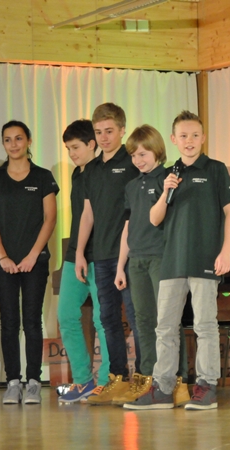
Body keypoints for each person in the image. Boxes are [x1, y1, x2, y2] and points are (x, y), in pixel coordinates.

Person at [124, 110, 230, 411]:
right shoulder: (169, 173)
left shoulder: (215, 169)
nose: (189, 141)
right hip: (172, 261)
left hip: (205, 259)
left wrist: (225, 252)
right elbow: (154, 218)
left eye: (195, 135)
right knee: (165, 327)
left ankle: (206, 386)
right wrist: (166, 191)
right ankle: (163, 388)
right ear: (174, 139)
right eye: (184, 136)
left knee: (205, 325)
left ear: (203, 138)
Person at [112, 125, 190, 407]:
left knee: (167, 321)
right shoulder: (132, 186)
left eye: (143, 154)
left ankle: (178, 380)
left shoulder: (168, 179)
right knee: (143, 320)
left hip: (162, 257)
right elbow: (128, 226)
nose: (138, 160)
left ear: (157, 151)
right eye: (133, 155)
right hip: (137, 260)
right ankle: (149, 377)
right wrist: (121, 266)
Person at [0, 120, 59, 405]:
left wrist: (32, 255)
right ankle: (12, 382)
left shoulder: (42, 177)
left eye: (18, 138)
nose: (13, 144)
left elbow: (49, 219)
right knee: (9, 321)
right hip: (2, 262)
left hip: (34, 262)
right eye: (7, 139)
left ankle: (33, 382)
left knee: (32, 320)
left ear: (28, 141)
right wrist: (3, 256)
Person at [75, 103, 141, 405]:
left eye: (109, 131)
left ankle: (144, 379)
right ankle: (117, 378)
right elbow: (87, 213)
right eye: (99, 132)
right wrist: (79, 252)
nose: (103, 137)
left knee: (137, 317)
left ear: (122, 130)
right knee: (108, 319)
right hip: (100, 255)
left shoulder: (133, 162)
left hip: (130, 253)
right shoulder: (91, 169)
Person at [56, 120, 110, 404]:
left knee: (103, 319)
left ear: (92, 144)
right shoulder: (77, 174)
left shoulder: (104, 171)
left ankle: (107, 382)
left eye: (75, 147)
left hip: (101, 254)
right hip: (75, 253)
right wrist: (77, 251)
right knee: (66, 315)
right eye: (68, 149)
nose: (72, 154)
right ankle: (83, 380)